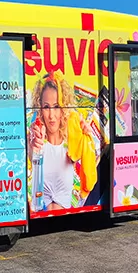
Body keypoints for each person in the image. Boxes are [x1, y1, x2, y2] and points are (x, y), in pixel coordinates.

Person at [29, 72, 97, 210]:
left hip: (64, 204)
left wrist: (88, 139)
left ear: (64, 108)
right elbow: (31, 158)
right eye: (46, 107)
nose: (52, 116)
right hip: (40, 203)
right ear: (40, 107)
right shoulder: (37, 138)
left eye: (57, 106)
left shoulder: (73, 140)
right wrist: (33, 146)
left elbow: (89, 176)